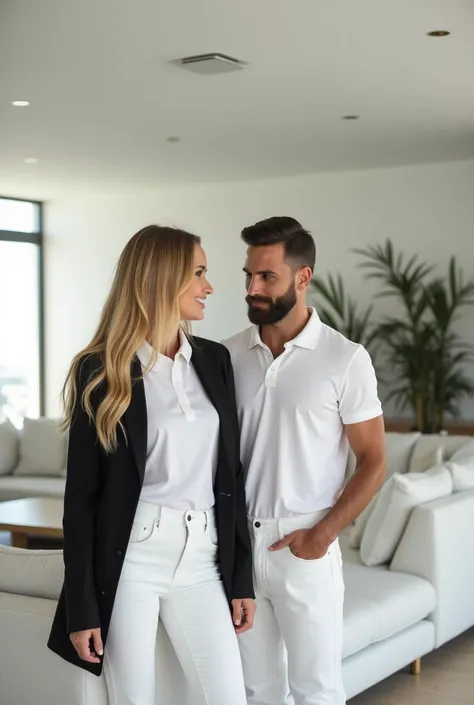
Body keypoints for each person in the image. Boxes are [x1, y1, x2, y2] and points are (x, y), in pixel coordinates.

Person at [48, 225, 255, 705]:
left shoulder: (213, 359)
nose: (210, 286)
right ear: (163, 279)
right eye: (199, 273)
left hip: (203, 556)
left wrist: (240, 576)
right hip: (132, 558)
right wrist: (82, 608)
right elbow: (80, 501)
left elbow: (232, 474)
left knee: (228, 696)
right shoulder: (100, 371)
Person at [223, 216, 386, 705]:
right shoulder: (226, 356)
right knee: (255, 692)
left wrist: (322, 535)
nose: (252, 288)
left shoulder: (345, 358)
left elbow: (374, 459)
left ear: (302, 277)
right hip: (236, 548)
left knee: (316, 691)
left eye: (266, 277)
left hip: (305, 542)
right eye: (248, 275)